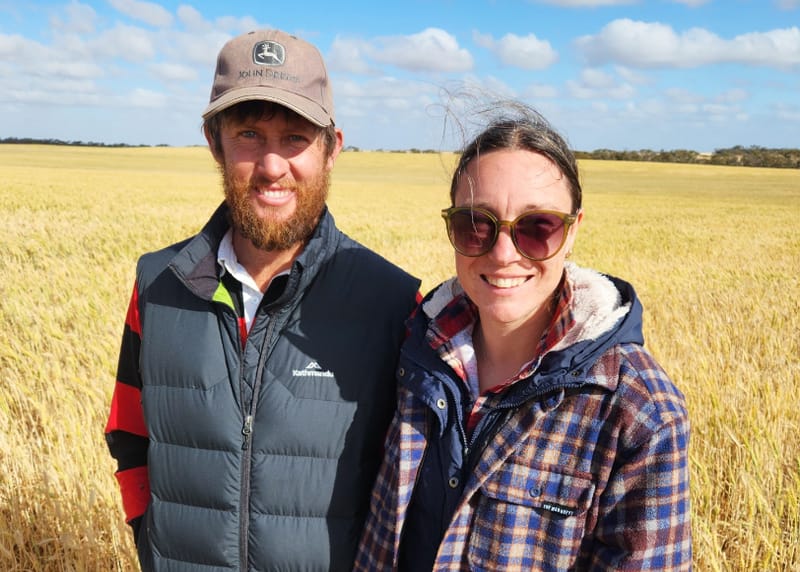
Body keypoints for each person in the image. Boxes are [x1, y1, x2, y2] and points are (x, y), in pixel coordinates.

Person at [104, 29, 420, 571]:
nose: (273, 167)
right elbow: (129, 435)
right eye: (249, 134)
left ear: (332, 147)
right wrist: (151, 543)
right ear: (214, 141)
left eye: (295, 137)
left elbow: (412, 480)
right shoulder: (157, 286)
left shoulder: (393, 302)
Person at [355, 102, 692, 570]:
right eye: (476, 224)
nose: (502, 253)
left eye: (537, 228)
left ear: (573, 231)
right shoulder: (412, 352)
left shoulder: (637, 411)